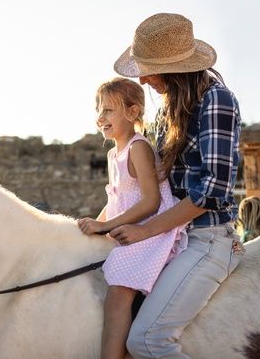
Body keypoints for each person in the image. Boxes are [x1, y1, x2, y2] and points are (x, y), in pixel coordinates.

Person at [111, 12, 244, 359]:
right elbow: (156, 187)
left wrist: (143, 232)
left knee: (146, 341)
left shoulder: (218, 101)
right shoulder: (167, 111)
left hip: (203, 237)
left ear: (175, 68)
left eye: (148, 67)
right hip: (171, 237)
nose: (141, 78)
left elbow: (213, 189)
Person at [77, 77, 186, 359]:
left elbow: (152, 201)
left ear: (133, 112)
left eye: (108, 110)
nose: (100, 117)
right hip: (128, 226)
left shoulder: (138, 147)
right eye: (99, 111)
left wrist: (106, 225)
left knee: (118, 294)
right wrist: (94, 225)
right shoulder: (114, 153)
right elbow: (116, 200)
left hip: (152, 231)